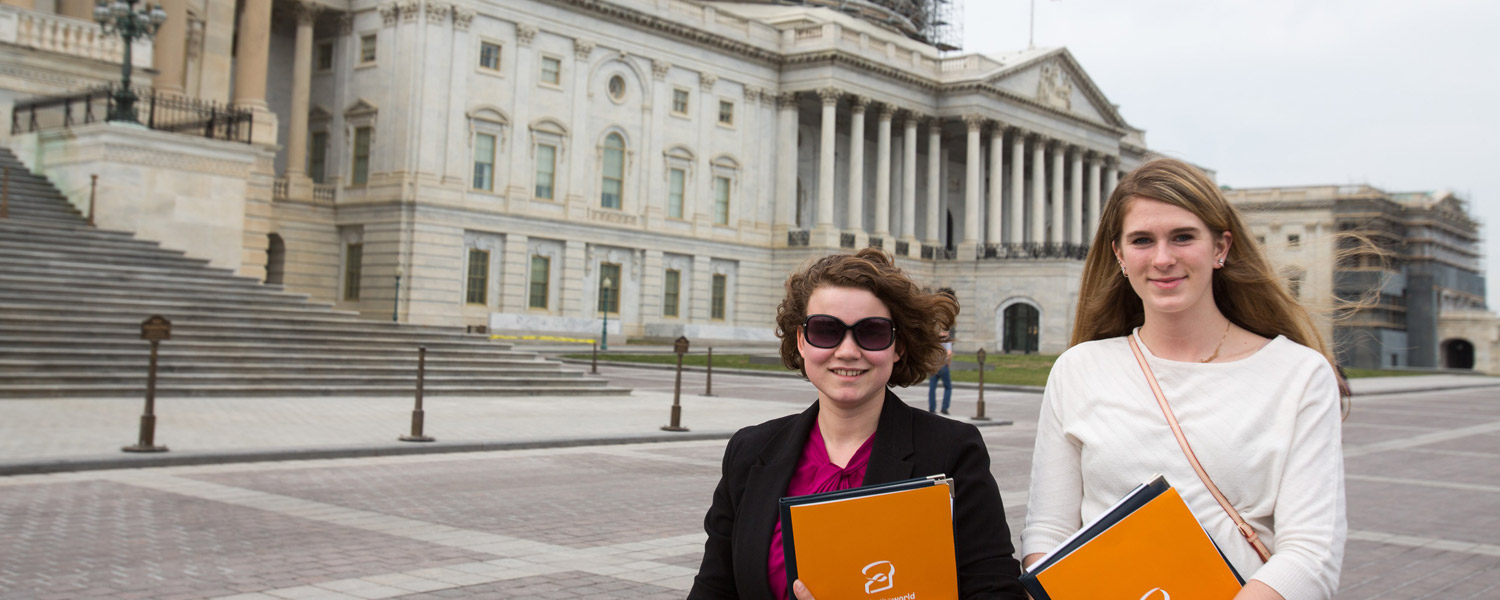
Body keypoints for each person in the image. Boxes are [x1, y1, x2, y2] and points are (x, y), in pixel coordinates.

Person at [1021, 158, 1346, 600]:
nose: (1162, 258)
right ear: (1119, 254)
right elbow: (1049, 532)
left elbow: (1311, 551)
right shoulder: (1078, 368)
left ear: (1220, 247)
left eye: (1183, 237)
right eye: (1142, 240)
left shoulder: (1300, 375)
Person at [689, 248, 1026, 600]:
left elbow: (995, 590)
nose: (848, 351)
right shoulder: (751, 450)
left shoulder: (952, 451)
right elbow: (714, 588)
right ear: (801, 341)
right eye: (825, 329)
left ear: (898, 346)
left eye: (873, 332)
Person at [928, 328, 954, 414]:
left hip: (934, 366)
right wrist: (948, 362)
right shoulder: (947, 341)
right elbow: (949, 353)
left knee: (932, 388)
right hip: (943, 366)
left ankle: (932, 408)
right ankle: (944, 408)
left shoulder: (935, 340)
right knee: (948, 387)